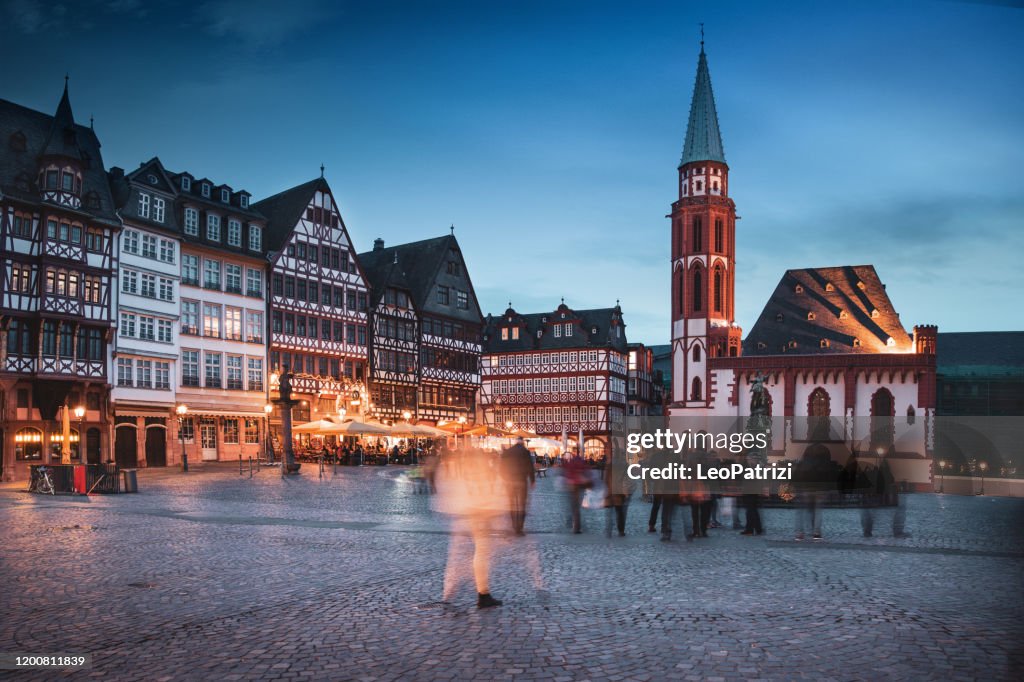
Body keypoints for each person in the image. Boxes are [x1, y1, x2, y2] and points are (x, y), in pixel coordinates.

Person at [499, 437, 536, 535]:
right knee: (521, 505)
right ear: (522, 442)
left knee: (512, 504)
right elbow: (530, 467)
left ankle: (514, 526)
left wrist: (505, 478)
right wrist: (532, 480)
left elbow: (501, 468)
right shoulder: (525, 452)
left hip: (510, 482)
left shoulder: (507, 452)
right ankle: (520, 528)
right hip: (521, 481)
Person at [562, 451, 591, 534]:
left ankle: (573, 524)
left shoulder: (571, 462)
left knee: (573, 506)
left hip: (572, 485)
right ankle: (576, 527)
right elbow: (587, 472)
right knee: (576, 507)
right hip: (579, 486)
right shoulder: (581, 461)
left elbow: (567, 472)